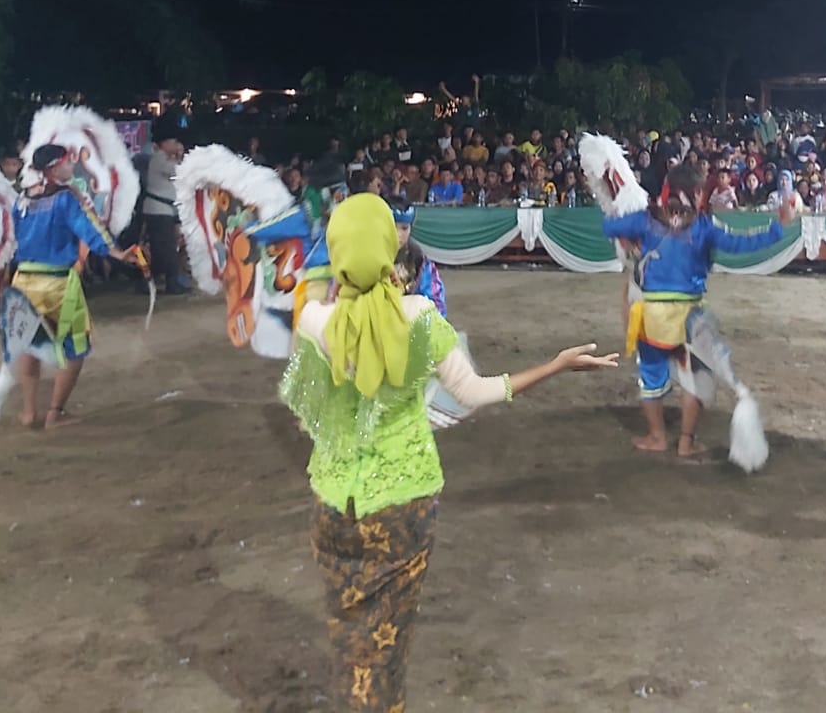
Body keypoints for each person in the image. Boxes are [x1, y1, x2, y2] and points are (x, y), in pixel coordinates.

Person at [279, 194, 616, 711]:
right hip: (403, 506)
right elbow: (475, 393)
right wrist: (554, 366)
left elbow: (313, 413)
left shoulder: (312, 324)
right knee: (386, 648)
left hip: (333, 506)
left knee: (350, 636)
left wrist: (336, 288)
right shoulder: (419, 317)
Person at [600, 162, 793, 457]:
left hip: (653, 319)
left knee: (651, 378)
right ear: (698, 193)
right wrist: (779, 226)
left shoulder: (645, 221)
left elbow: (608, 226)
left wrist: (625, 225)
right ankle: (686, 442)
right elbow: (744, 244)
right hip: (692, 318)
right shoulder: (704, 227)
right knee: (696, 379)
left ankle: (657, 437)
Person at [12, 144, 137, 428]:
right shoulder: (66, 199)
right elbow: (87, 229)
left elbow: (14, 237)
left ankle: (29, 411)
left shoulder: (21, 200)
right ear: (55, 168)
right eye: (68, 162)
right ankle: (55, 412)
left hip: (23, 281)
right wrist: (115, 252)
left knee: (31, 347)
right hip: (56, 283)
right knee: (75, 346)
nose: (72, 167)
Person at [142, 123, 191, 295]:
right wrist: (180, 155)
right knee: (167, 248)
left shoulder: (163, 158)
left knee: (161, 250)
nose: (176, 145)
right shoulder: (159, 158)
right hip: (158, 211)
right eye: (173, 142)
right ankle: (171, 282)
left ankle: (149, 281)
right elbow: (178, 171)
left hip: (163, 211)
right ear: (164, 144)